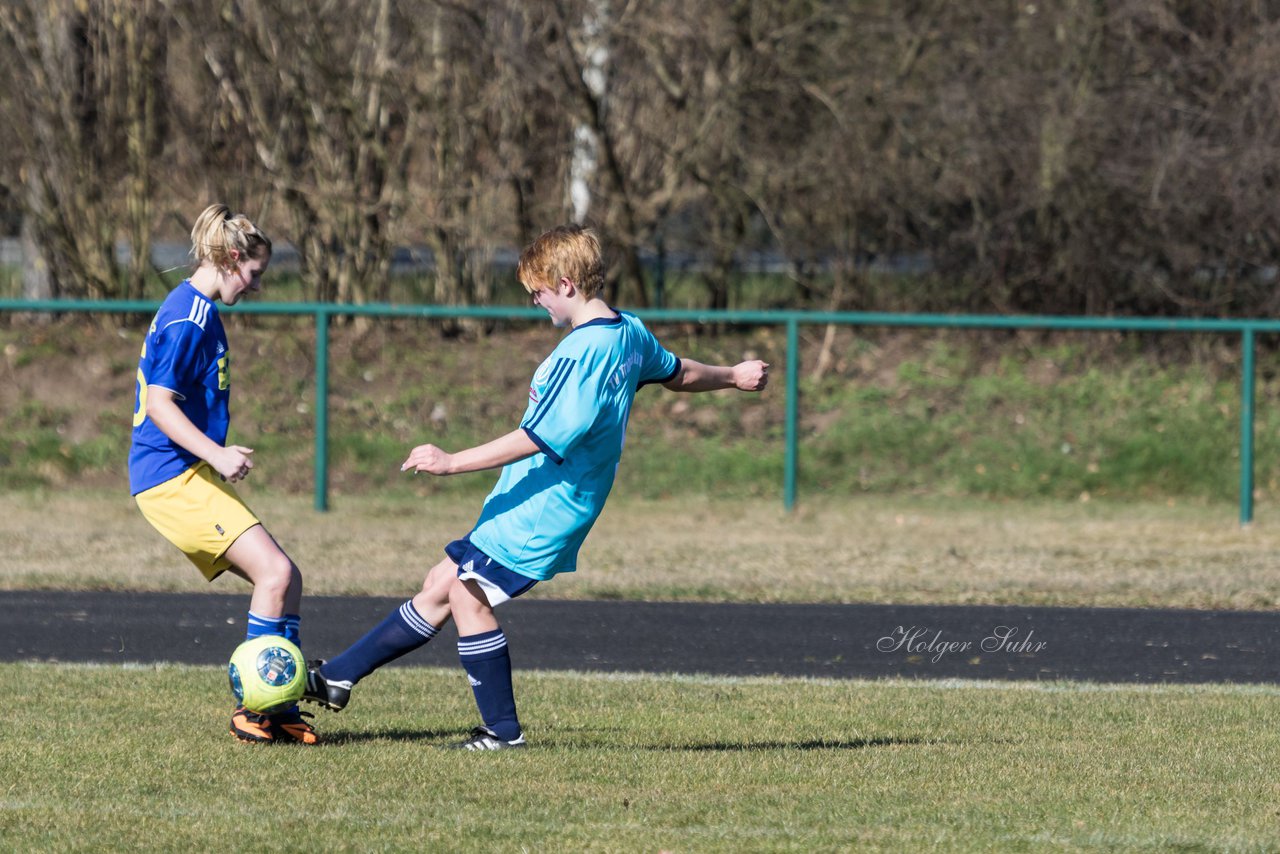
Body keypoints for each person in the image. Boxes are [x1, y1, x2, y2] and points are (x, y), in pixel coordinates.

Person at [302, 224, 768, 749]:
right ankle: (338, 677)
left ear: (566, 285)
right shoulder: (627, 331)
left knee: (466, 593)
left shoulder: (580, 354)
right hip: (536, 500)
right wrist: (732, 375)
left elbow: (536, 437)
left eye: (538, 293)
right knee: (442, 582)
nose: (536, 303)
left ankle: (502, 733)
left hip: (546, 507)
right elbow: (677, 371)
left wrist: (451, 461)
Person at [128, 203, 318, 745]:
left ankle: (279, 705)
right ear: (234, 259)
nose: (255, 286)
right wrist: (216, 453)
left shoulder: (200, 311)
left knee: (287, 578)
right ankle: (253, 709)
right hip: (169, 477)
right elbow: (161, 405)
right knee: (275, 575)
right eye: (254, 274)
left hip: (183, 472)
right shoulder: (188, 317)